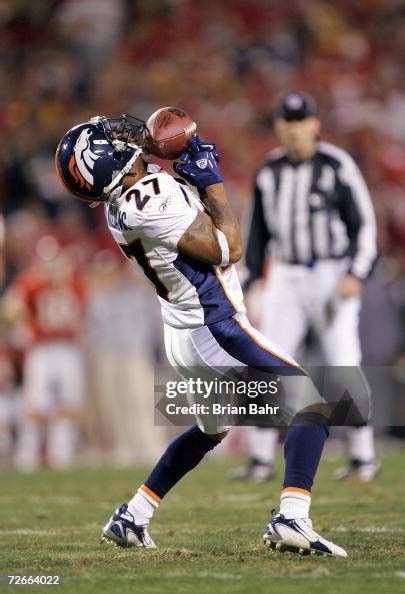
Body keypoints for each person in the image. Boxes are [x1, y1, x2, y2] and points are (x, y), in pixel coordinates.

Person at [55, 113, 348, 556]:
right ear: (107, 161)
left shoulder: (123, 204)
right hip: (215, 326)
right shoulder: (150, 200)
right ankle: (293, 516)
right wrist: (212, 183)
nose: (124, 135)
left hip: (183, 330)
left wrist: (187, 175)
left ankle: (133, 514)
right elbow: (229, 247)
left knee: (212, 429)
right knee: (312, 404)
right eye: (112, 138)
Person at [232, 91, 379, 483]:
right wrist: (248, 281)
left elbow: (364, 225)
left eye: (300, 121)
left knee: (343, 361)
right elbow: (257, 234)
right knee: (268, 361)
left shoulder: (337, 165)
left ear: (315, 124)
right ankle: (260, 458)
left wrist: (356, 273)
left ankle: (363, 456)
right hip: (286, 275)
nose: (294, 130)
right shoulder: (270, 171)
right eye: (287, 122)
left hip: (331, 274)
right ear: (279, 126)